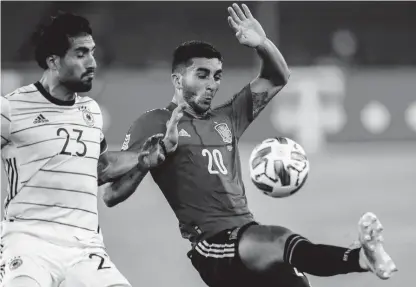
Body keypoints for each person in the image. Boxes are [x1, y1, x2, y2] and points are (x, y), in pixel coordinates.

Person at [104, 3, 397, 287]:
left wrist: (263, 44)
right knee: (279, 240)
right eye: (202, 75)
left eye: (217, 76)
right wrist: (149, 160)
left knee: (293, 279)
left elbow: (277, 77)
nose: (212, 84)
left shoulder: (228, 117)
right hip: (212, 246)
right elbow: (112, 194)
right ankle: (359, 257)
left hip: (246, 235)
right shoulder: (154, 123)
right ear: (177, 80)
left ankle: (360, 257)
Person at [0, 12, 183, 287]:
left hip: (85, 247)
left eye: (92, 53)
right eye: (81, 54)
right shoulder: (11, 109)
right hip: (28, 241)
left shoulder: (90, 111)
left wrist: (143, 159)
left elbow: (99, 168)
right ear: (53, 61)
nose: (93, 63)